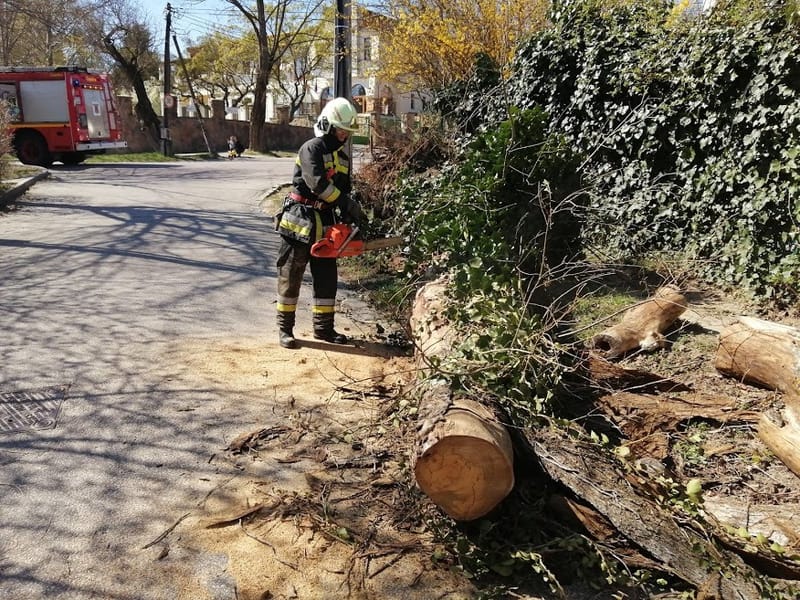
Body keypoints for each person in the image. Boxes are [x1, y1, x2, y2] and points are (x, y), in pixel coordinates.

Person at [274, 97, 364, 349]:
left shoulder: (343, 158)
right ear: (327, 125)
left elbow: (344, 190)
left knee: (326, 277)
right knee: (290, 275)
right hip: (299, 221)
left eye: (347, 132)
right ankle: (285, 329)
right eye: (340, 130)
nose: (344, 136)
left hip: (326, 222)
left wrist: (350, 212)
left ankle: (324, 329)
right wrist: (344, 203)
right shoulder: (311, 148)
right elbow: (317, 184)